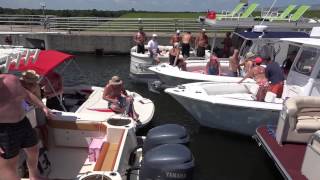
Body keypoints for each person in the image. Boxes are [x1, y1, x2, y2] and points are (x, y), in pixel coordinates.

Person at [0, 73, 54, 180]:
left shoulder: (12, 79)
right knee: (9, 164)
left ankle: (34, 176)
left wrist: (43, 107)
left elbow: (27, 94)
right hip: (4, 130)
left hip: (23, 122)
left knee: (34, 150)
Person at [20, 70, 49, 149]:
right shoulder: (21, 82)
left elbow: (27, 94)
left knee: (42, 126)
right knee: (33, 127)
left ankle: (46, 144)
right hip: (29, 107)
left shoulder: (34, 85)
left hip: (38, 107)